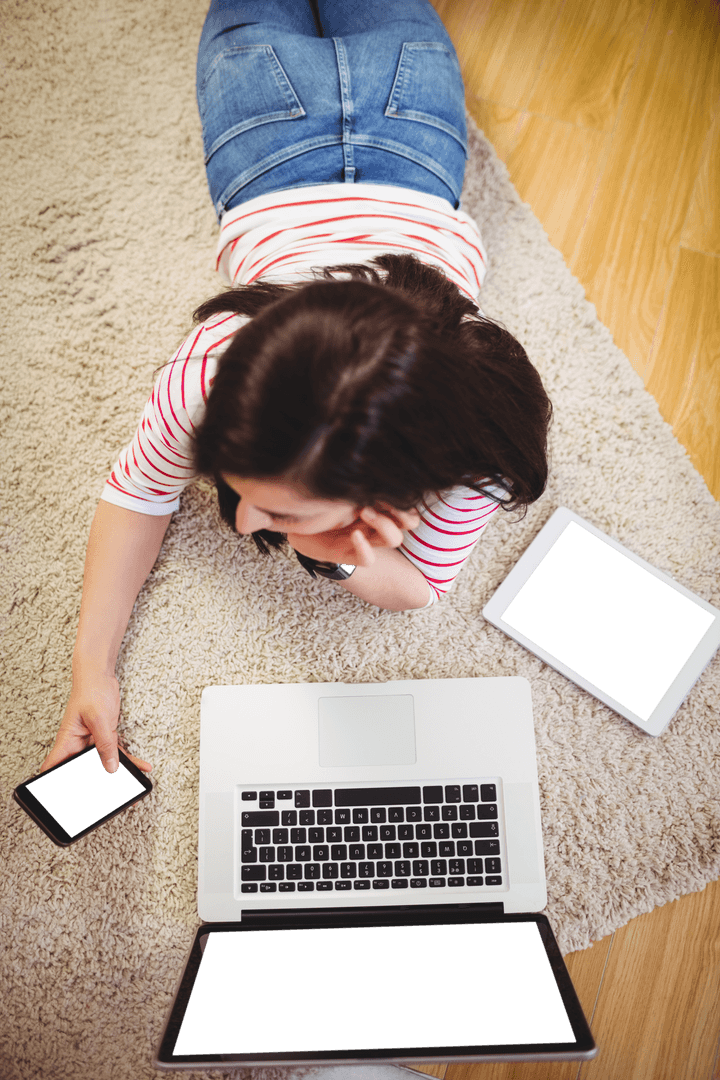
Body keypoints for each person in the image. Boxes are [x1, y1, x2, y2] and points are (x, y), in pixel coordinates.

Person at [41, 0, 551, 778]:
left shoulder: (473, 446)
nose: (244, 526)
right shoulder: (215, 368)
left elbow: (419, 588)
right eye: (264, 504)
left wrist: (342, 558)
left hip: (272, 137)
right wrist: (92, 672)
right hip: (395, 123)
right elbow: (136, 493)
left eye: (277, 511)